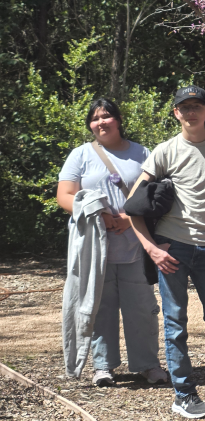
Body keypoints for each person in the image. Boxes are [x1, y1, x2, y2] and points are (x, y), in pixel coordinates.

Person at [129, 86, 205, 419]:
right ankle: (183, 393)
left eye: (197, 106)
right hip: (173, 249)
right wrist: (152, 249)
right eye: (184, 107)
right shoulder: (164, 151)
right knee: (175, 324)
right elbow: (133, 206)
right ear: (176, 114)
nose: (191, 112)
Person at [57, 98, 168, 388]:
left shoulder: (141, 153)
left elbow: (153, 193)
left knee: (142, 309)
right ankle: (103, 366)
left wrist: (127, 218)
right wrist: (101, 215)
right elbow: (65, 195)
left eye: (106, 116)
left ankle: (148, 365)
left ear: (118, 120)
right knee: (99, 307)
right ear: (90, 125)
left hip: (136, 244)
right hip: (95, 247)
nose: (101, 122)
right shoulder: (80, 155)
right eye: (95, 119)